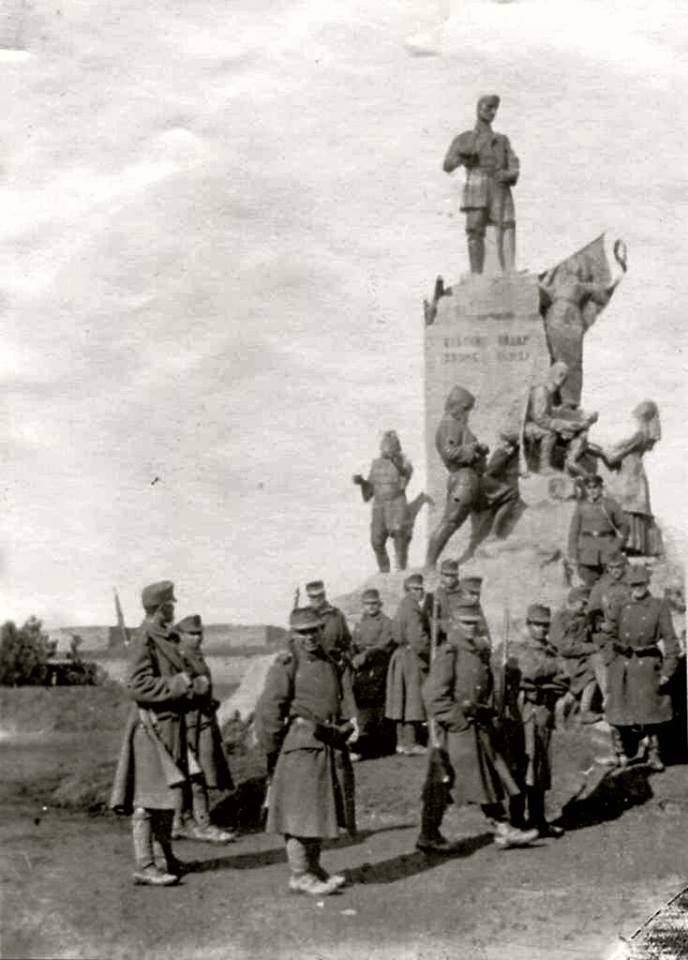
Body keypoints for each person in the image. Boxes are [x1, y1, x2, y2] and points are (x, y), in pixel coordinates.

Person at [416, 601, 538, 853]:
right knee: (456, 779)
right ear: (454, 624)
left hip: (474, 726)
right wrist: (457, 720)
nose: (470, 628)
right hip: (454, 730)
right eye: (465, 623)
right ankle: (500, 827)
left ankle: (431, 834)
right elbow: (433, 695)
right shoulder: (450, 652)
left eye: (474, 623)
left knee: (466, 778)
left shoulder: (475, 652)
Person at [255, 607, 357, 896]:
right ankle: (300, 874)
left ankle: (313, 868)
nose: (310, 637)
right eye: (303, 632)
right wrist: (274, 749)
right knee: (300, 813)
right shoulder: (287, 664)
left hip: (327, 743)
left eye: (315, 630)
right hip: (300, 746)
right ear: (292, 633)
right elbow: (268, 711)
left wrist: (347, 724)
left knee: (319, 810)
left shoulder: (327, 660)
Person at [110, 580, 198, 886]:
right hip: (152, 728)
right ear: (162, 608)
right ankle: (145, 864)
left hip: (170, 725)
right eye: (171, 604)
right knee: (147, 800)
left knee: (166, 796)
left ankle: (164, 858)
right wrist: (179, 684)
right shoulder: (144, 639)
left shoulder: (164, 636)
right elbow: (136, 686)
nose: (174, 608)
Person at [425, 386, 518, 569]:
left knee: (509, 494)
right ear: (456, 407)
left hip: (474, 479)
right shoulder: (449, 424)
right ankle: (429, 564)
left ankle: (492, 536)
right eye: (466, 409)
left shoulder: (459, 425)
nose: (467, 413)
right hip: (463, 479)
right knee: (450, 522)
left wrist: (479, 449)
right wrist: (474, 448)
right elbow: (449, 452)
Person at [604, 566, 680, 771]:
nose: (637, 588)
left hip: (647, 665)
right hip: (623, 665)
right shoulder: (620, 605)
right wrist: (611, 661)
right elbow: (608, 635)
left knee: (650, 714)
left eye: (641, 584)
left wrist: (667, 671)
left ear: (648, 584)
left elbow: (672, 642)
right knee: (617, 711)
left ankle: (654, 753)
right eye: (633, 584)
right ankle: (620, 753)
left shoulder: (658, 606)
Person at [504, 604, 569, 838]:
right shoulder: (516, 649)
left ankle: (538, 820)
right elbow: (527, 671)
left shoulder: (552, 650)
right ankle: (516, 820)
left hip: (543, 711)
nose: (541, 629)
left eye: (545, 625)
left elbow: (564, 677)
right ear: (528, 625)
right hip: (523, 711)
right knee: (522, 762)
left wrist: (544, 680)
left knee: (540, 766)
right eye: (536, 625)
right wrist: (545, 674)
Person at [171, 615, 236, 843]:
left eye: (199, 633)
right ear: (180, 634)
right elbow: (180, 689)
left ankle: (183, 821)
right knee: (195, 773)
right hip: (189, 724)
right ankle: (201, 823)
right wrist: (198, 691)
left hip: (202, 720)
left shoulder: (196, 656)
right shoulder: (178, 658)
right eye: (192, 634)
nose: (197, 638)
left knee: (199, 772)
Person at [442, 94, 519, 274]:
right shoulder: (464, 138)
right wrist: (464, 156)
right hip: (476, 185)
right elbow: (447, 164)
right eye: (488, 107)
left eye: (495, 109)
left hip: (499, 188)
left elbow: (514, 166)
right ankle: (476, 274)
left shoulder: (502, 140)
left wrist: (507, 174)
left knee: (506, 226)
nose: (492, 112)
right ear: (478, 108)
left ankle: (509, 271)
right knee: (475, 229)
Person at [539, 263, 621, 407]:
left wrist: (617, 282)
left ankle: (569, 400)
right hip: (557, 316)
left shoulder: (581, 285)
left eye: (571, 269)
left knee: (572, 360)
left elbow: (602, 295)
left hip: (570, 317)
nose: (569, 271)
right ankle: (552, 397)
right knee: (555, 355)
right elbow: (544, 294)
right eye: (564, 270)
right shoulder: (558, 285)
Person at [593, 400, 664, 557]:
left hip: (628, 473)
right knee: (632, 508)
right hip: (635, 472)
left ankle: (626, 544)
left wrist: (593, 449)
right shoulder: (644, 435)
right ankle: (634, 544)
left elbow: (613, 457)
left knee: (624, 506)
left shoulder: (638, 435)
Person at [353, 430, 416, 572]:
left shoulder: (404, 461)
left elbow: (406, 474)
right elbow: (370, 489)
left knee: (399, 533)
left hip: (396, 501)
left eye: (390, 445)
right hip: (379, 505)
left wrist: (395, 460)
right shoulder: (376, 464)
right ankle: (384, 571)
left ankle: (401, 567)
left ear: (396, 446)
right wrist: (362, 482)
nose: (386, 449)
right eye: (384, 445)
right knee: (376, 541)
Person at [523, 362, 598, 476]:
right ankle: (544, 467)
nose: (562, 378)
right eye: (560, 374)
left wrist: (566, 414)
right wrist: (564, 425)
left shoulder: (548, 393)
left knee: (566, 432)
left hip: (538, 422)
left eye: (564, 376)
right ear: (552, 374)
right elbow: (541, 419)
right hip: (529, 426)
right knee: (549, 433)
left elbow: (549, 411)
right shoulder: (541, 391)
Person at [385, 573, 431, 755]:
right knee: (412, 699)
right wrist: (430, 653)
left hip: (401, 655)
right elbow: (417, 638)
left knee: (402, 700)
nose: (419, 592)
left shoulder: (403, 605)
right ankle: (411, 743)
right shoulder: (412, 609)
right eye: (415, 588)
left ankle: (402, 742)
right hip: (411, 657)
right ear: (407, 590)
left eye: (421, 588)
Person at [349, 589, 396, 760]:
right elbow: (354, 643)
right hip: (362, 671)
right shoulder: (360, 624)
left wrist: (366, 655)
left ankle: (381, 745)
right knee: (363, 706)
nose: (371, 607)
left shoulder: (386, 622)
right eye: (367, 604)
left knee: (379, 707)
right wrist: (353, 655)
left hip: (379, 668)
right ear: (363, 605)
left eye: (374, 603)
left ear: (380, 604)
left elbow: (384, 644)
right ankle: (365, 742)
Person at [586, 550, 633, 705]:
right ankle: (610, 703)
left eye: (619, 567)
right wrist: (601, 625)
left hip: (630, 634)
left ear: (624, 566)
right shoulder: (600, 587)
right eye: (611, 568)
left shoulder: (632, 584)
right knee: (608, 666)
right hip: (608, 636)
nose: (615, 571)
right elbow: (591, 615)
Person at [549, 588, 600, 725]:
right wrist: (588, 648)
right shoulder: (560, 618)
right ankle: (573, 705)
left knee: (593, 669)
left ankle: (575, 706)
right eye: (582, 603)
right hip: (561, 659)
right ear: (573, 602)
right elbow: (563, 646)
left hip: (576, 657)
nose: (584, 607)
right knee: (589, 672)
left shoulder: (583, 619)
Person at [568, 474, 629, 587]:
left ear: (601, 488)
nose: (592, 491)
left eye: (595, 487)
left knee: (612, 584)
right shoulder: (581, 506)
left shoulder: (610, 504)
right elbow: (574, 532)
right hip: (586, 553)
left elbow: (624, 526)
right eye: (589, 488)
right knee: (588, 586)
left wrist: (617, 545)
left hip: (608, 551)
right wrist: (573, 554)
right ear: (586, 489)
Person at [305, 580, 352, 666]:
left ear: (324, 595)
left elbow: (347, 641)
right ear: (309, 597)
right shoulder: (304, 616)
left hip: (333, 663)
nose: (316, 600)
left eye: (319, 596)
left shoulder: (336, 615)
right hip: (310, 664)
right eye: (313, 597)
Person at [424, 557, 463, 648]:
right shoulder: (434, 595)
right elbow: (427, 622)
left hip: (462, 639)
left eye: (452, 575)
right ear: (441, 575)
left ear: (457, 575)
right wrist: (441, 625)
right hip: (443, 641)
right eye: (446, 575)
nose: (449, 579)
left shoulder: (465, 594)